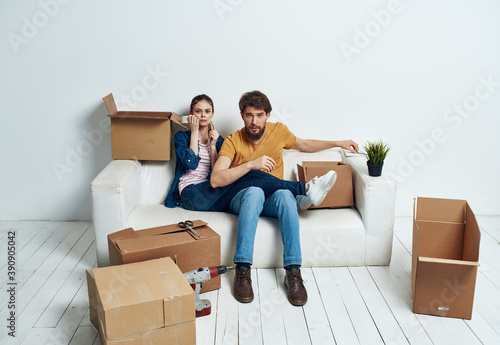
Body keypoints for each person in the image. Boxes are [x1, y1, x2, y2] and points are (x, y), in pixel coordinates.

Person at [210, 90, 359, 306]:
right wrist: (251, 165)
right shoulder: (233, 140)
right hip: (243, 199)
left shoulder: (278, 131)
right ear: (242, 115)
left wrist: (338, 142)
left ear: (268, 115)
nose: (254, 121)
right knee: (254, 191)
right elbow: (216, 179)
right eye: (250, 115)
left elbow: (305, 145)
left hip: (273, 199)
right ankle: (243, 271)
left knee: (285, 196)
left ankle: (293, 273)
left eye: (259, 115)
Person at [165, 94, 338, 213]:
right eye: (198, 111)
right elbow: (191, 163)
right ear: (191, 114)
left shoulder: (219, 140)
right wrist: (194, 132)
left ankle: (302, 191)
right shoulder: (182, 137)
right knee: (251, 171)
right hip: (191, 194)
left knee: (251, 174)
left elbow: (217, 175)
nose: (203, 115)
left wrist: (212, 147)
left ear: (212, 114)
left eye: (207, 111)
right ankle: (304, 188)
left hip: (211, 194)